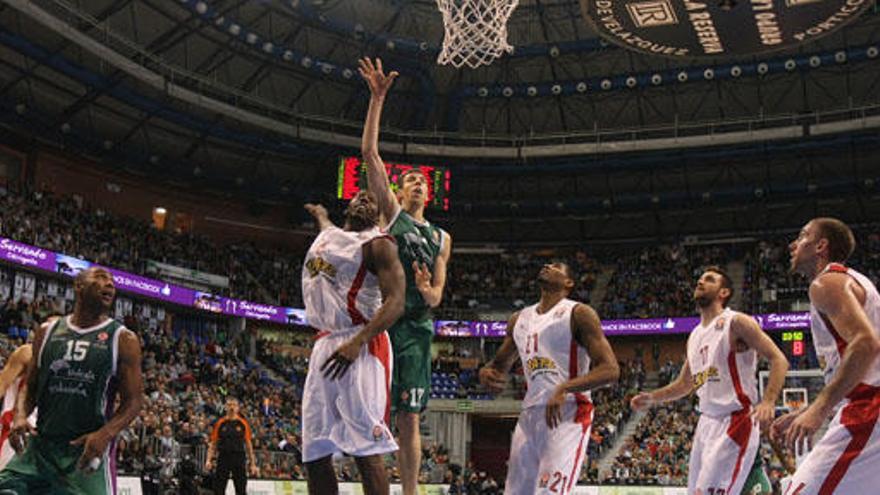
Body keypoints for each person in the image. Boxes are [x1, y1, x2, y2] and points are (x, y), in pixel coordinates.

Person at [359, 56, 453, 495]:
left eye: (422, 181)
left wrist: (426, 289)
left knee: (409, 416)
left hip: (415, 328)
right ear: (399, 191)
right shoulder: (390, 214)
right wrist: (377, 100)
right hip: (383, 321)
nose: (417, 183)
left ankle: (410, 491)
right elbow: (370, 155)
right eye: (410, 179)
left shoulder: (441, 236)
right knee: (374, 410)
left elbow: (437, 296)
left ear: (428, 192)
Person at [630, 266, 789, 495]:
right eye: (700, 278)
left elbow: (779, 359)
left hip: (735, 419)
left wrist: (768, 401)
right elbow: (685, 384)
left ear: (723, 292)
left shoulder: (736, 322)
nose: (701, 282)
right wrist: (652, 398)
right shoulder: (695, 335)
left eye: (710, 279)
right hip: (706, 423)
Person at [478, 262, 620, 495]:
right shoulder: (519, 319)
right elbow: (497, 367)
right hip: (530, 414)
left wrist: (565, 388)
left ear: (568, 283)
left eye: (556, 266)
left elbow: (611, 370)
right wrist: (485, 373)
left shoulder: (579, 313)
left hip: (569, 412)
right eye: (546, 264)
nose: (547, 266)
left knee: (551, 493)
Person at [0, 267, 143, 494]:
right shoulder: (47, 331)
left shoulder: (123, 339)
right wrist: (19, 416)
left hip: (86, 453)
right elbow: (32, 385)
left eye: (112, 281)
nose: (109, 284)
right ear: (79, 286)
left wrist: (104, 435)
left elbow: (134, 401)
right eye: (100, 278)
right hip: (41, 449)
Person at [300, 193, 406, 495]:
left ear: (380, 215)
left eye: (372, 200)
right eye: (359, 196)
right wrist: (320, 213)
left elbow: (396, 302)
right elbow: (327, 227)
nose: (364, 199)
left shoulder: (380, 244)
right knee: (315, 450)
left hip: (362, 342)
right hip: (324, 342)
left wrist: (358, 341)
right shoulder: (330, 235)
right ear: (347, 207)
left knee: (365, 450)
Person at [772, 218, 880, 494]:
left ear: (821, 246)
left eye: (802, 235)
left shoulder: (827, 283)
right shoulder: (854, 281)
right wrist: (811, 409)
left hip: (869, 409)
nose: (793, 244)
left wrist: (818, 409)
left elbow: (866, 344)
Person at [205, 397, 258, 495]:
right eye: (229, 405)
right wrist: (208, 460)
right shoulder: (220, 423)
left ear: (238, 408)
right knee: (219, 488)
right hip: (223, 457)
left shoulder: (243, 423)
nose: (232, 407)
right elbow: (213, 444)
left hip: (239, 457)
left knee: (241, 488)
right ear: (225, 407)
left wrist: (253, 464)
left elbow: (249, 445)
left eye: (234, 405)